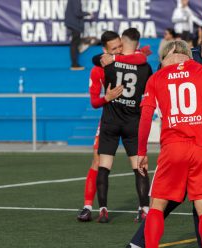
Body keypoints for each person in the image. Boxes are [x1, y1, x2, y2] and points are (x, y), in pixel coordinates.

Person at [127, 19, 202, 248]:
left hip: (173, 146)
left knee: (157, 205)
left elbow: (146, 117)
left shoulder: (157, 77)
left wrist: (141, 152)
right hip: (201, 146)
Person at [76, 31, 152, 222]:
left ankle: (105, 208)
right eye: (114, 49)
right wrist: (106, 98)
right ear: (105, 51)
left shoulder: (116, 61)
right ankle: (87, 206)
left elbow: (139, 53)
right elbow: (94, 102)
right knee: (97, 161)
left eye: (120, 46)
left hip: (115, 120)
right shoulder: (100, 68)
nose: (118, 50)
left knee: (105, 164)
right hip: (115, 119)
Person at [64, 0, 91, 70]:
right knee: (74, 44)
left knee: (74, 43)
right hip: (75, 25)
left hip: (72, 24)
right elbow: (77, 13)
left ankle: (74, 64)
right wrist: (88, 13)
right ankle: (74, 64)